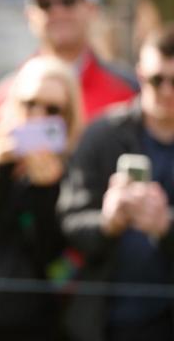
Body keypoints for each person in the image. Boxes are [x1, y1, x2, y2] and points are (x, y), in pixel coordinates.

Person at [0, 56, 83, 341]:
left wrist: (46, 189)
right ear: (12, 103)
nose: (37, 115)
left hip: (47, 322)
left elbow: (54, 255)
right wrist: (1, 170)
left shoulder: (74, 168)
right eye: (29, 104)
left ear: (68, 119)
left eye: (52, 109)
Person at [59, 24, 174, 341]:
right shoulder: (102, 134)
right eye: (156, 80)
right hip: (105, 320)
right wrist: (107, 222)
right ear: (139, 75)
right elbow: (68, 221)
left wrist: (166, 226)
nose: (166, 91)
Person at [0, 0, 138, 129]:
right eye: (44, 4)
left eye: (68, 1)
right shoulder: (4, 97)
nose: (57, 11)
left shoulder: (128, 92)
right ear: (29, 15)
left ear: (92, 9)